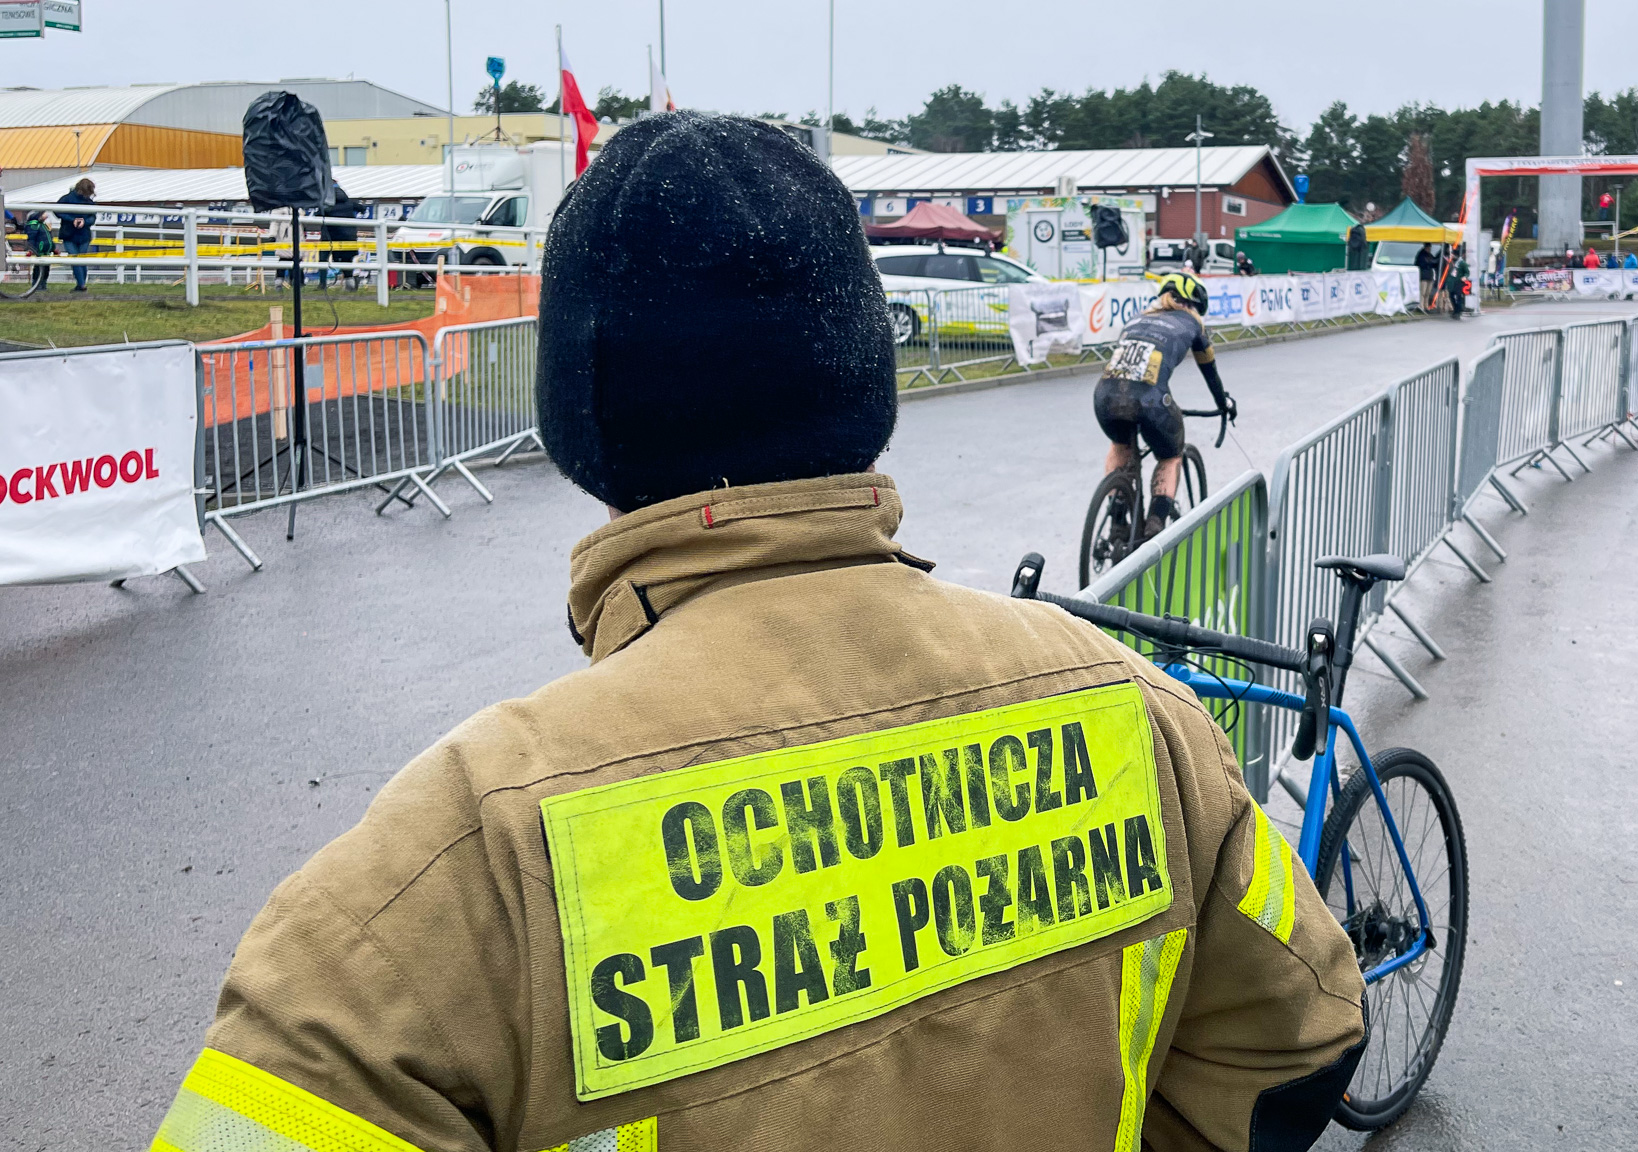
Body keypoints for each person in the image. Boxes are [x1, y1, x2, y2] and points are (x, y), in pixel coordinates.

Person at [146, 112, 1362, 1152]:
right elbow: (1301, 1040)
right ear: (858, 378)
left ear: (579, 417)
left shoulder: (452, 863)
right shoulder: (1134, 716)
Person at [1095, 271, 1237, 541]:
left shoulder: (1137, 319)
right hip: (1149, 400)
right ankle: (1155, 525)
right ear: (1193, 305)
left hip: (1105, 395)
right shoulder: (1194, 325)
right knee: (1171, 455)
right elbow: (1211, 374)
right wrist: (1223, 404)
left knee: (1121, 444)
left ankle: (1117, 514)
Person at [56, 177, 95, 292]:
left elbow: (92, 218)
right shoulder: (67, 199)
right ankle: (82, 284)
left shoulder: (88, 201)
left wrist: (83, 222)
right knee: (76, 259)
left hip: (80, 234)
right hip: (71, 234)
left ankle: (81, 284)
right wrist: (72, 220)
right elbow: (57, 211)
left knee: (79, 259)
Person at [319, 186, 361, 289]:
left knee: (323, 260)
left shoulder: (328, 206)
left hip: (331, 237)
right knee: (347, 261)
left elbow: (318, 215)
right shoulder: (350, 204)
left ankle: (322, 284)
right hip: (350, 238)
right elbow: (362, 208)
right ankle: (350, 284)